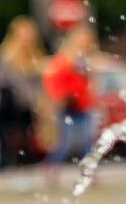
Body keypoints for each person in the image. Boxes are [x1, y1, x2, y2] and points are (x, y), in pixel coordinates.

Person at [0, 19, 43, 168]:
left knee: (24, 133)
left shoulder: (34, 55)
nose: (28, 39)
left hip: (24, 104)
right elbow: (4, 81)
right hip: (7, 104)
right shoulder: (6, 55)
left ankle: (21, 158)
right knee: (8, 133)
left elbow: (37, 82)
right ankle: (8, 160)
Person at [39, 28, 96, 167]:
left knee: (87, 140)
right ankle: (51, 165)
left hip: (82, 104)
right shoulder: (63, 60)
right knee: (66, 142)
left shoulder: (83, 60)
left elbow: (85, 83)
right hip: (69, 104)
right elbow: (53, 81)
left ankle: (89, 169)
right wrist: (59, 97)